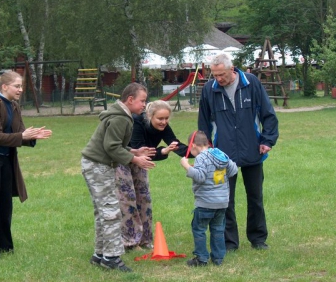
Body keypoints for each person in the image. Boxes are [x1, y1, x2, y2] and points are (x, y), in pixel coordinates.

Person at [0, 71, 52, 262]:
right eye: (17, 86)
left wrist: (31, 137)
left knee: (5, 204)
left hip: (6, 161)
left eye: (21, 86)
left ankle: (4, 246)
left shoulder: (13, 105)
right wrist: (22, 136)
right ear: (4, 87)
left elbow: (19, 133)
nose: (21, 90)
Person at [198, 53, 279, 251]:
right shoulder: (210, 89)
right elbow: (204, 122)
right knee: (224, 199)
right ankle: (229, 243)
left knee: (255, 198)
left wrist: (267, 141)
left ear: (232, 69)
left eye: (222, 75)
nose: (218, 79)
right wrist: (205, 147)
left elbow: (268, 114)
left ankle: (258, 239)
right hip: (221, 156)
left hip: (252, 150)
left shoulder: (251, 83)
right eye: (214, 75)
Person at [81, 83, 155, 272]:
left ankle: (100, 254)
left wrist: (134, 150)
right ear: (130, 100)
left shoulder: (121, 115)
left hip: (94, 163)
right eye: (142, 101)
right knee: (111, 212)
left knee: (102, 211)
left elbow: (115, 144)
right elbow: (111, 147)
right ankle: (111, 258)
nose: (144, 105)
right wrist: (135, 159)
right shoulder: (120, 118)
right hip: (98, 166)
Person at [116, 100, 190, 250]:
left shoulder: (164, 126)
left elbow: (174, 144)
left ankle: (145, 240)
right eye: (160, 119)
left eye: (166, 118)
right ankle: (130, 242)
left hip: (142, 162)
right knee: (128, 199)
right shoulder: (137, 122)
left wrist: (196, 151)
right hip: (123, 160)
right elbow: (139, 149)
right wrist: (162, 151)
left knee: (144, 199)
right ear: (150, 116)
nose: (164, 122)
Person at [180, 131, 238, 267]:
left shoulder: (201, 158)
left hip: (205, 202)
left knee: (199, 229)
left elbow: (200, 177)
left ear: (193, 145)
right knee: (218, 229)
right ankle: (218, 258)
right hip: (222, 202)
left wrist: (186, 166)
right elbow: (234, 170)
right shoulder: (219, 154)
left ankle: (201, 259)